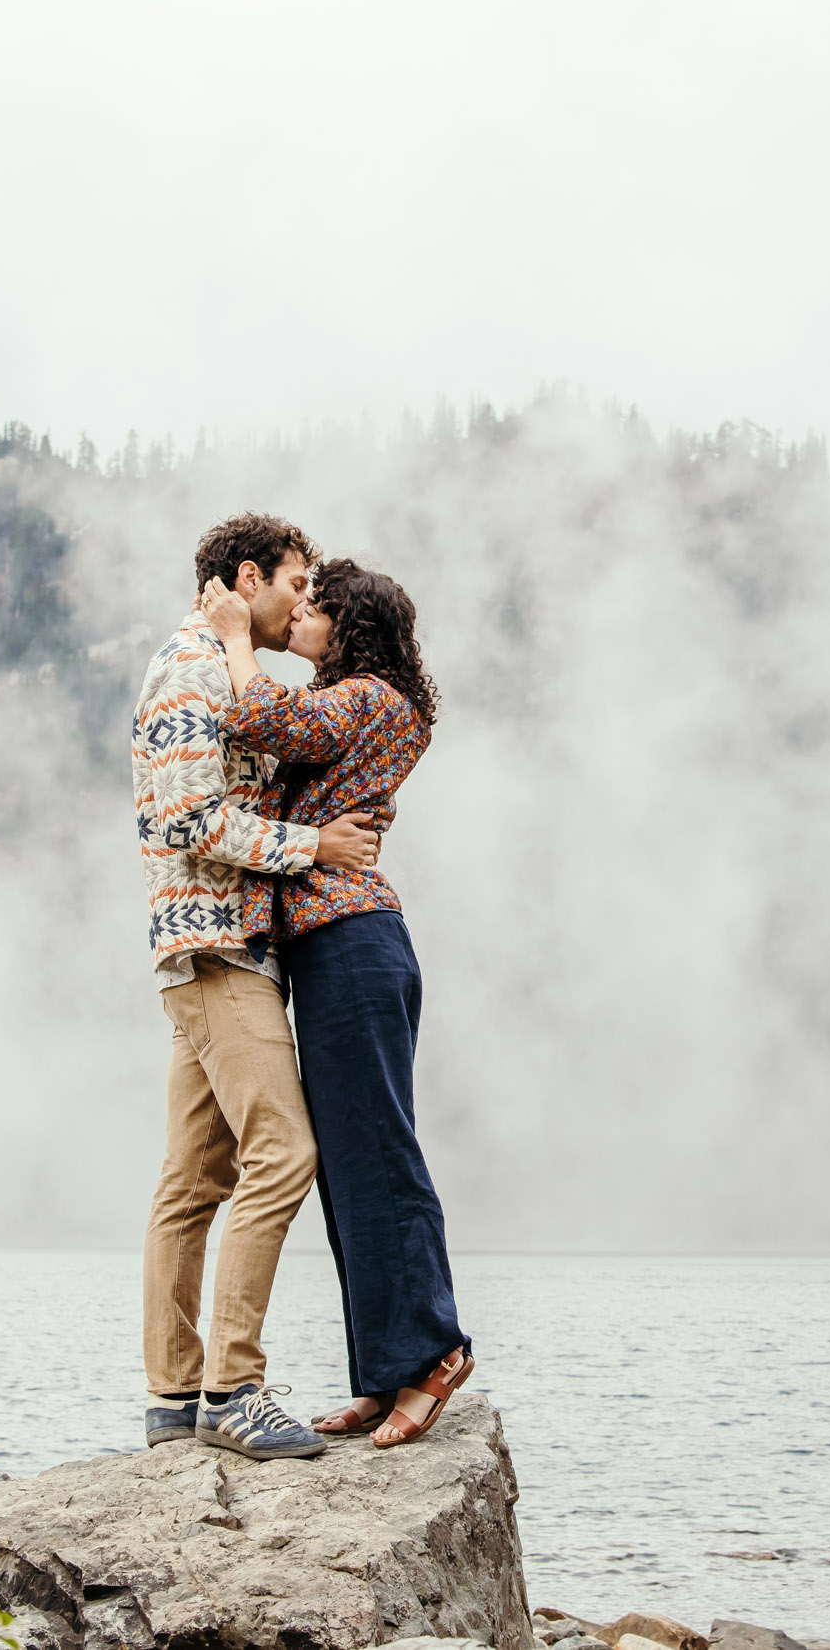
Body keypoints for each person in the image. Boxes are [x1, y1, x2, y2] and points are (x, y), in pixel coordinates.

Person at [201, 557, 473, 1449]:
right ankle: (382, 1369)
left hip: (355, 941)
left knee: (379, 1149)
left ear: (353, 625)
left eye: (317, 607)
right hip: (328, 948)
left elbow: (259, 713)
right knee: (346, 1163)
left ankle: (432, 1354)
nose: (301, 614)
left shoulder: (373, 699)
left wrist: (238, 637)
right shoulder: (360, 703)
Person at [131, 513, 386, 1460]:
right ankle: (234, 1387)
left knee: (194, 1180)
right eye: (296, 584)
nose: (304, 603)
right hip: (217, 947)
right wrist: (310, 846)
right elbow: (190, 816)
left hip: (212, 948)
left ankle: (172, 1399)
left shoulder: (220, 661)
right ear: (249, 576)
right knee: (283, 1152)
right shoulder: (191, 666)